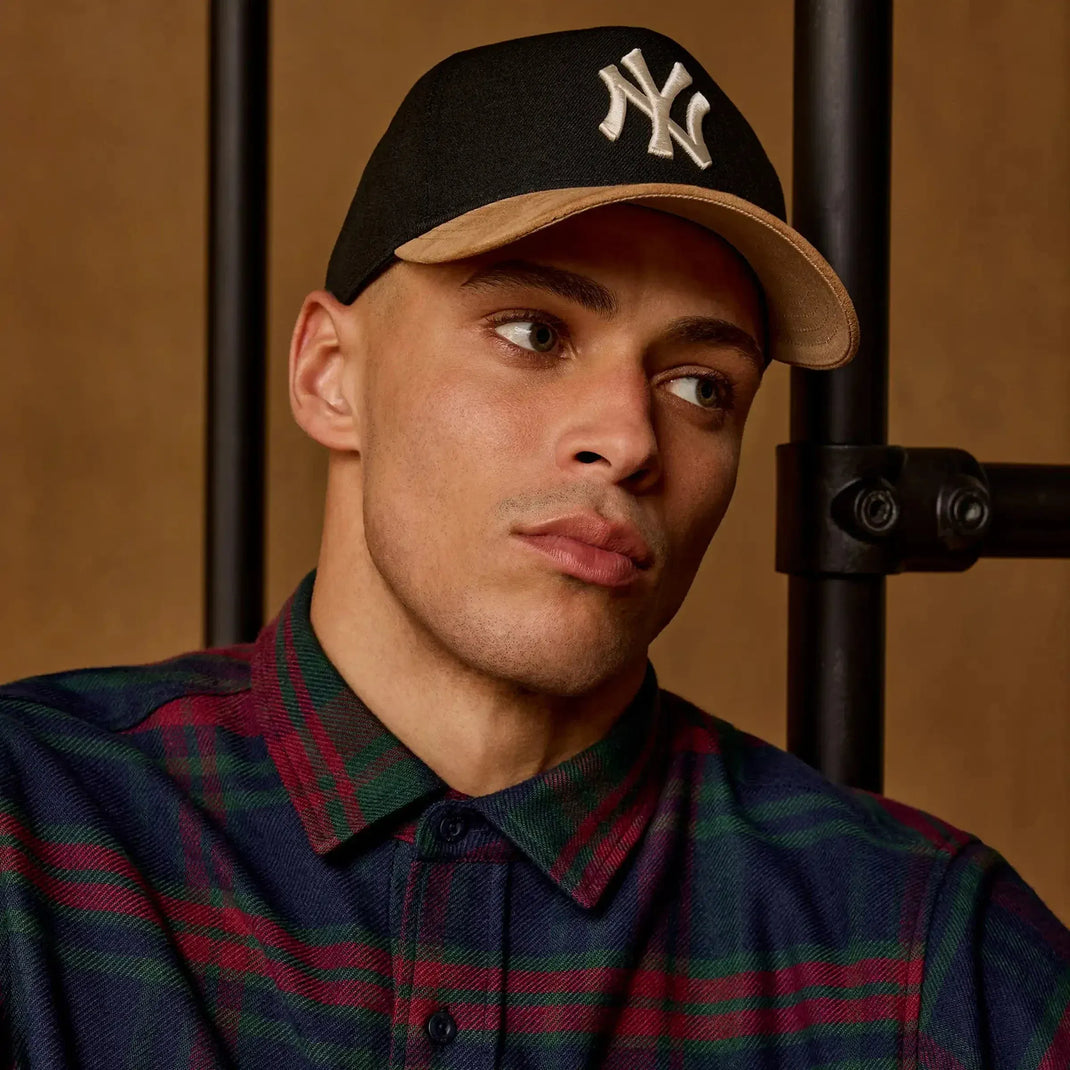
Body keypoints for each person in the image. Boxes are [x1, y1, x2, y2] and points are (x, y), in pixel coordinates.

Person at [0, 24, 1065, 1070]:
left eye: (700, 385)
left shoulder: (917, 949)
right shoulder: (33, 830)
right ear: (331, 373)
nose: (630, 436)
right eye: (534, 331)